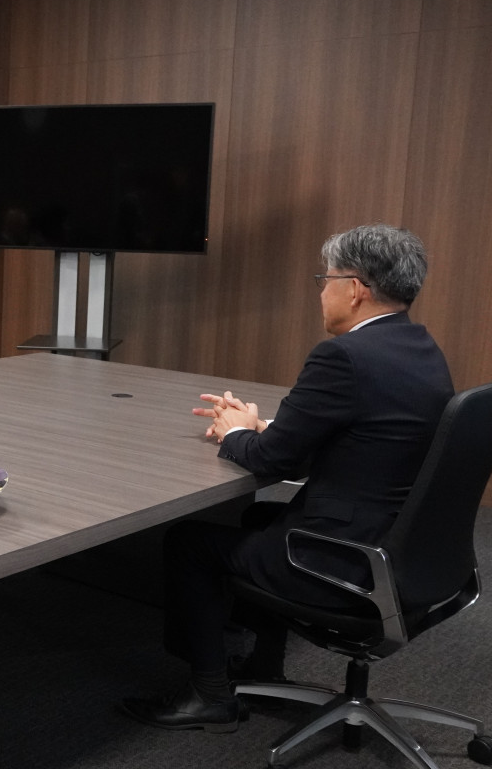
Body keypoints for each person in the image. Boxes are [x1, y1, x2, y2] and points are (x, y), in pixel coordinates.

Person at [120, 224, 453, 733]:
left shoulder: (343, 356)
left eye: (326, 279)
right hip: (407, 549)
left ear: (355, 289)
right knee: (258, 516)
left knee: (188, 542)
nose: (321, 292)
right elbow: (362, 435)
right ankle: (263, 667)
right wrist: (261, 427)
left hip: (346, 562)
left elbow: (273, 463)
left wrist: (235, 434)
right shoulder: (420, 347)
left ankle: (208, 695)